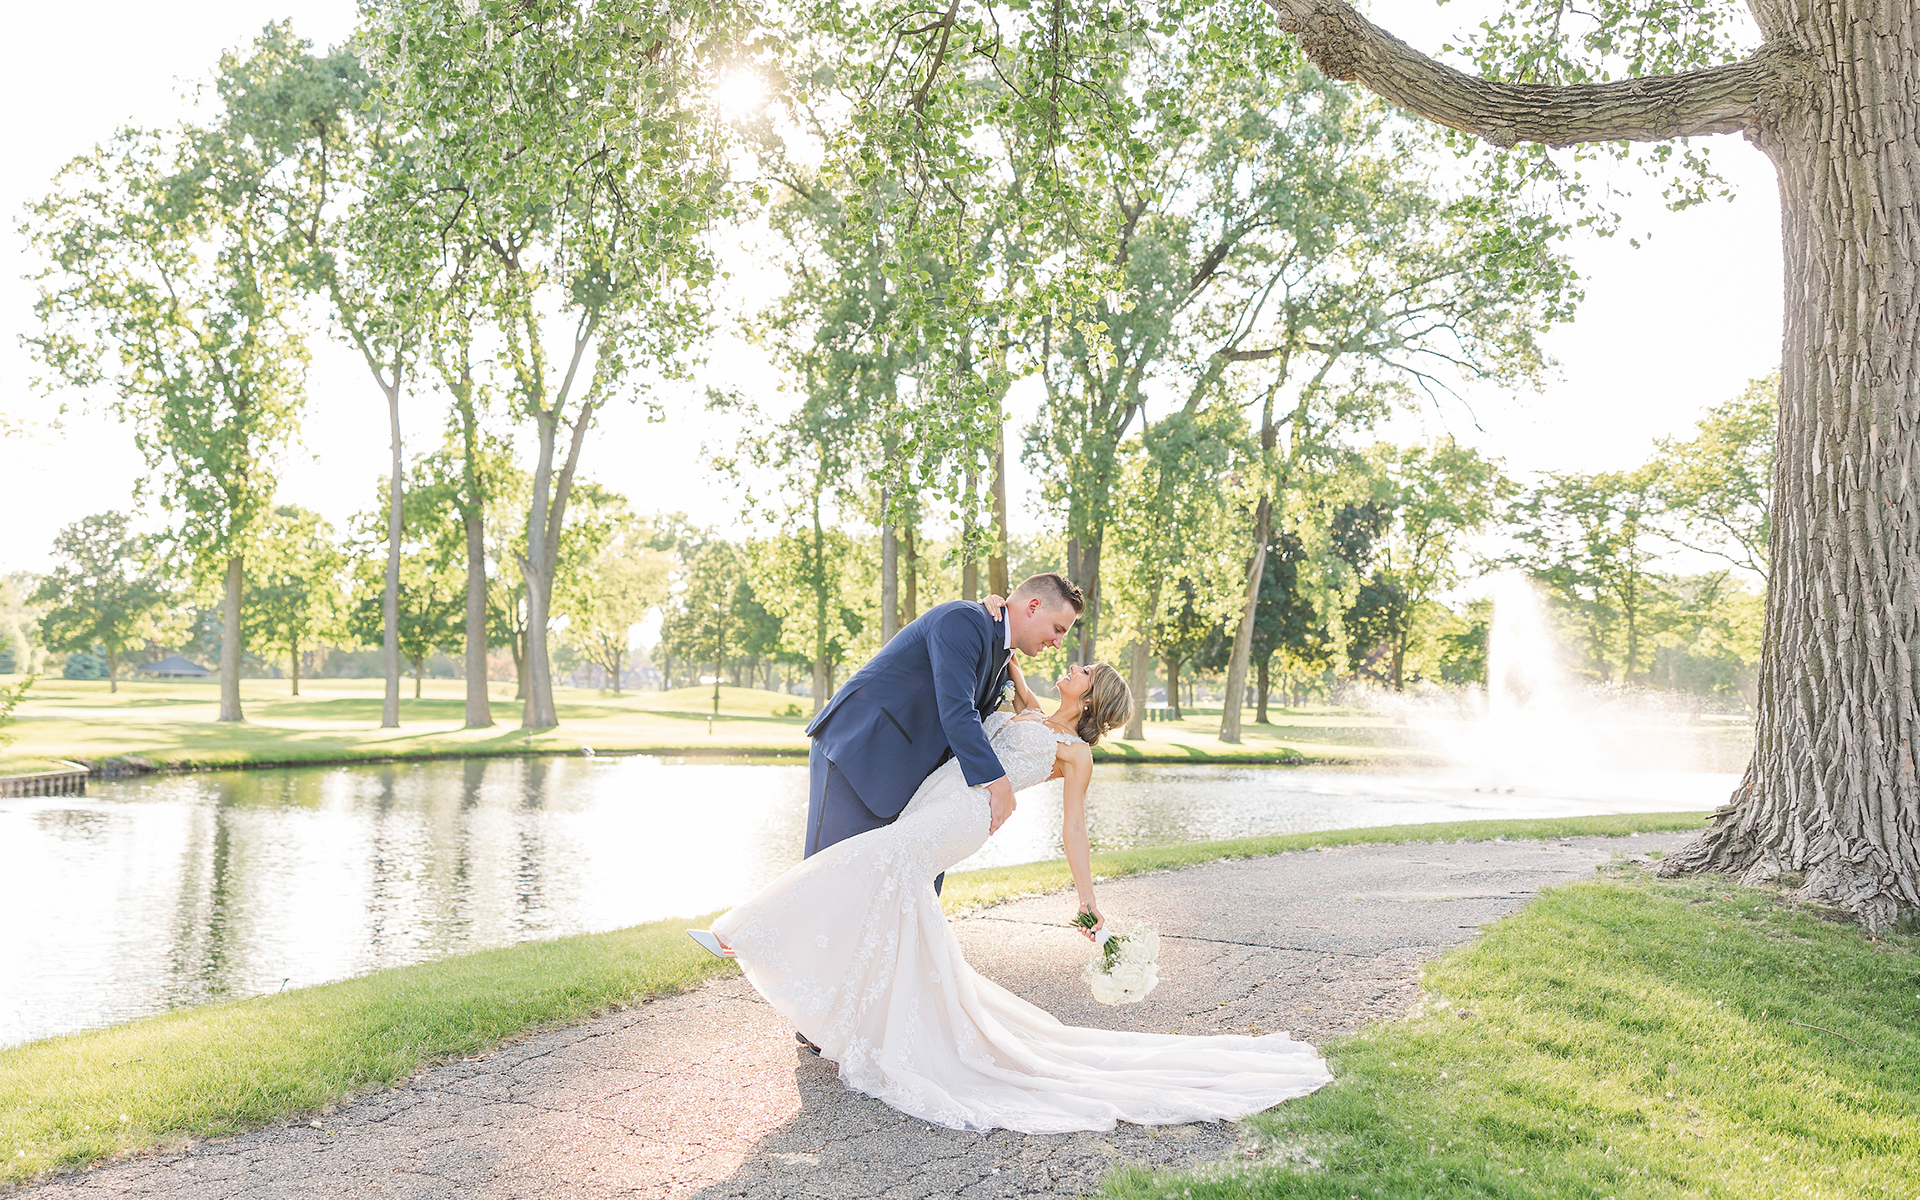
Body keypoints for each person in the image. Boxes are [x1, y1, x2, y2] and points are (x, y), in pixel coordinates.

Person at [686, 607, 1331, 1134]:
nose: (1073, 662)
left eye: (1085, 670)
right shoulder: (1034, 711)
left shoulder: (1074, 753)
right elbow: (1006, 666)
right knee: (891, 893)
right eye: (1072, 652)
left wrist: (1087, 902)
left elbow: (1073, 830)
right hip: (941, 798)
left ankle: (740, 931)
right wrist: (1000, 623)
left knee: (867, 861)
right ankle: (864, 1016)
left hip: (963, 816)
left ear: (1093, 696)